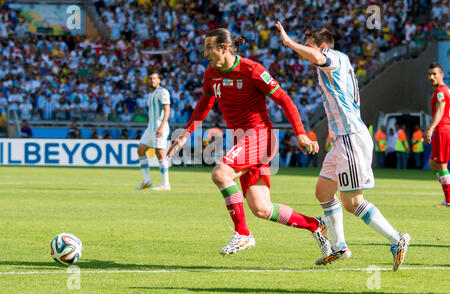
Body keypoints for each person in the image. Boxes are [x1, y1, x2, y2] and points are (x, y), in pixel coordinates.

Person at [167, 28, 332, 260]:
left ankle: (242, 233)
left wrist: (301, 133)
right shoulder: (211, 73)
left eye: (209, 47)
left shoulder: (252, 70)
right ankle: (316, 225)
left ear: (224, 48)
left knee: (220, 174)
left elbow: (284, 99)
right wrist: (186, 132)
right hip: (241, 139)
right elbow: (204, 104)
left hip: (259, 136)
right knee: (261, 209)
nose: (205, 54)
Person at [275, 21, 410, 271]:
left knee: (353, 202)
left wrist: (289, 43)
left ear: (323, 47)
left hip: (350, 136)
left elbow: (318, 56)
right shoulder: (336, 61)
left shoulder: (333, 58)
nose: (306, 52)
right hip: (341, 139)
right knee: (323, 192)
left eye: (309, 46)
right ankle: (339, 247)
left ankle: (397, 239)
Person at [136, 72, 171, 191]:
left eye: (154, 78)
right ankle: (147, 181)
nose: (152, 81)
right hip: (150, 128)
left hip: (159, 127)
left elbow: (167, 110)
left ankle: (165, 184)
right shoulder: (150, 94)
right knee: (141, 150)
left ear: (159, 80)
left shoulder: (163, 92)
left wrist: (161, 127)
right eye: (150, 79)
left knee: (160, 154)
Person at [424, 62, 450, 207]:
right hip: (443, 130)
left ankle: (448, 200)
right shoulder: (444, 90)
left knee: (441, 165)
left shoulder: (441, 91)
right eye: (430, 74)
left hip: (442, 130)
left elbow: (440, 111)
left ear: (442, 75)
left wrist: (430, 128)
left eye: (435, 74)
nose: (432, 77)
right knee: (433, 164)